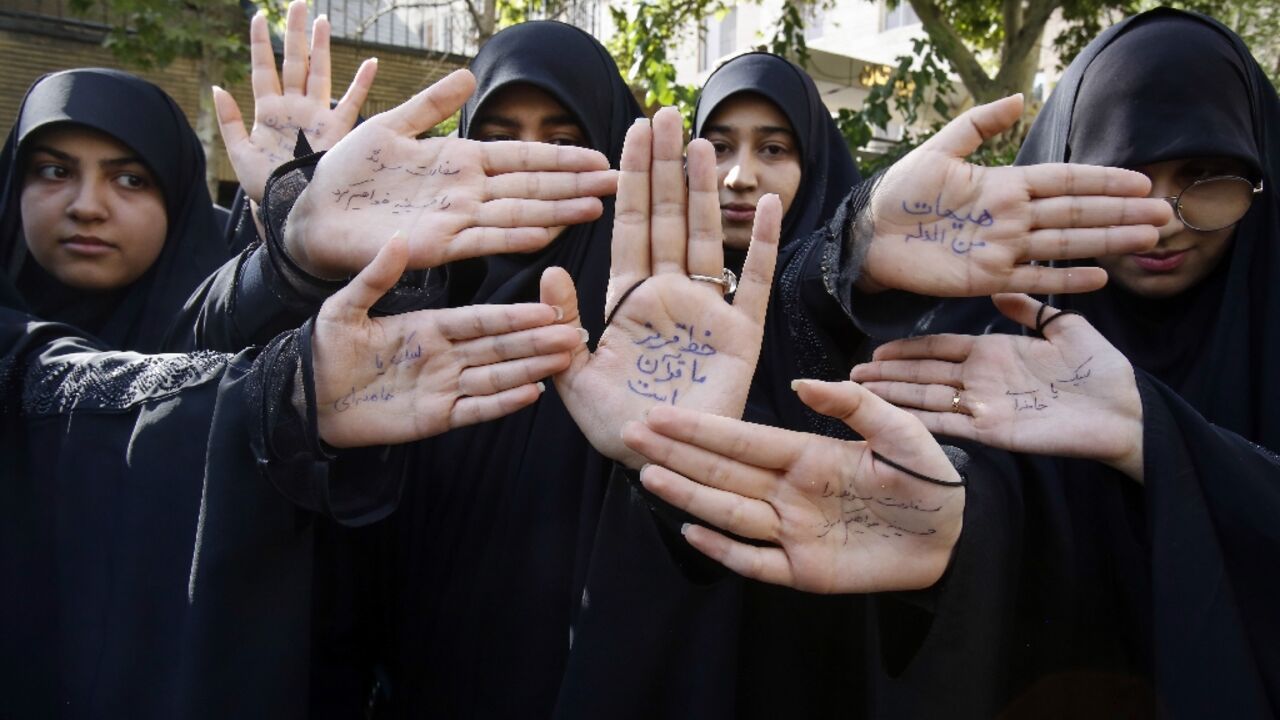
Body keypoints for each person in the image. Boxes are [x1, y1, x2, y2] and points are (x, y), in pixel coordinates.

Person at [849, 9, 1280, 716]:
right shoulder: (975, 354)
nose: (1165, 219)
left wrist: (1153, 437)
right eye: (1124, 181)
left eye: (1206, 179)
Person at [0, 67, 230, 352]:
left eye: (130, 180)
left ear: (177, 202)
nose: (86, 208)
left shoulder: (238, 351)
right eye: (55, 172)